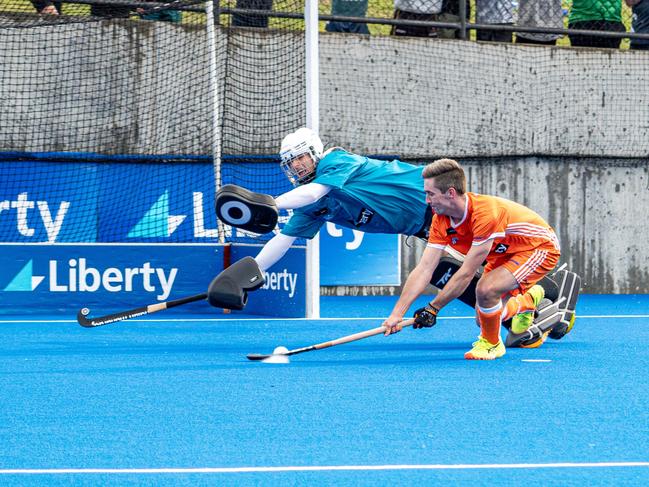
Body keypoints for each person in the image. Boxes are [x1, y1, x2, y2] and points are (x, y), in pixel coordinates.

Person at [382, 158, 561, 360]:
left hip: (537, 247)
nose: (427, 200)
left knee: (486, 290)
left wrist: (433, 308)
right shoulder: (440, 221)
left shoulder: (485, 214)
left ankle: (492, 345)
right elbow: (425, 268)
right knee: (484, 316)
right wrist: (396, 314)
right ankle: (528, 300)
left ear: (450, 193)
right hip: (502, 252)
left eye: (430, 194)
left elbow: (466, 273)